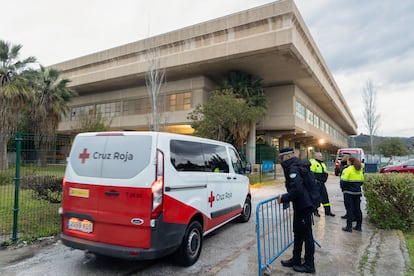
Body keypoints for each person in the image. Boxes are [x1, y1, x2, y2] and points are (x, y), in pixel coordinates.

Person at [277, 147, 316, 274]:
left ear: (288, 156)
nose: (281, 161)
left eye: (282, 158)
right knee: (298, 233)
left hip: (304, 205)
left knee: (307, 235)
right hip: (301, 205)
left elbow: (297, 190)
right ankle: (296, 259)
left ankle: (309, 265)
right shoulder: (296, 165)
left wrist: (284, 198)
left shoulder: (293, 168)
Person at [340, 156, 364, 232]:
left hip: (348, 192)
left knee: (349, 209)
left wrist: (344, 189)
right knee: (357, 209)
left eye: (347, 161)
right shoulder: (359, 169)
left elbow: (343, 181)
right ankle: (358, 226)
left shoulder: (347, 170)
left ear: (350, 162)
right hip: (357, 192)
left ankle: (349, 227)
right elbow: (361, 181)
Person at [309, 152, 335, 217]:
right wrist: (314, 181)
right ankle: (315, 211)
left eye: (321, 156)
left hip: (322, 183)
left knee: (325, 197)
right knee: (316, 198)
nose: (321, 157)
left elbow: (325, 172)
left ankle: (327, 211)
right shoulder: (313, 163)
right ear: (316, 156)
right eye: (319, 156)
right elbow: (311, 173)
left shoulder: (322, 163)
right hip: (316, 183)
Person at [339, 153, 350, 219]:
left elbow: (342, 171)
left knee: (349, 203)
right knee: (347, 203)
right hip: (345, 186)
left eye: (343, 157)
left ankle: (350, 215)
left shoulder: (348, 166)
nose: (342, 158)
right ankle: (348, 213)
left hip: (348, 187)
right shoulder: (343, 164)